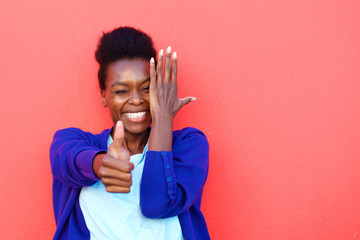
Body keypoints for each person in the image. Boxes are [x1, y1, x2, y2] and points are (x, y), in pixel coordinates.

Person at [50, 26, 210, 240]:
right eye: (122, 91)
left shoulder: (188, 145)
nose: (136, 100)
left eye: (146, 88)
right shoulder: (74, 142)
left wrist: (164, 117)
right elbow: (66, 157)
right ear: (104, 96)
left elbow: (156, 205)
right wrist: (101, 164)